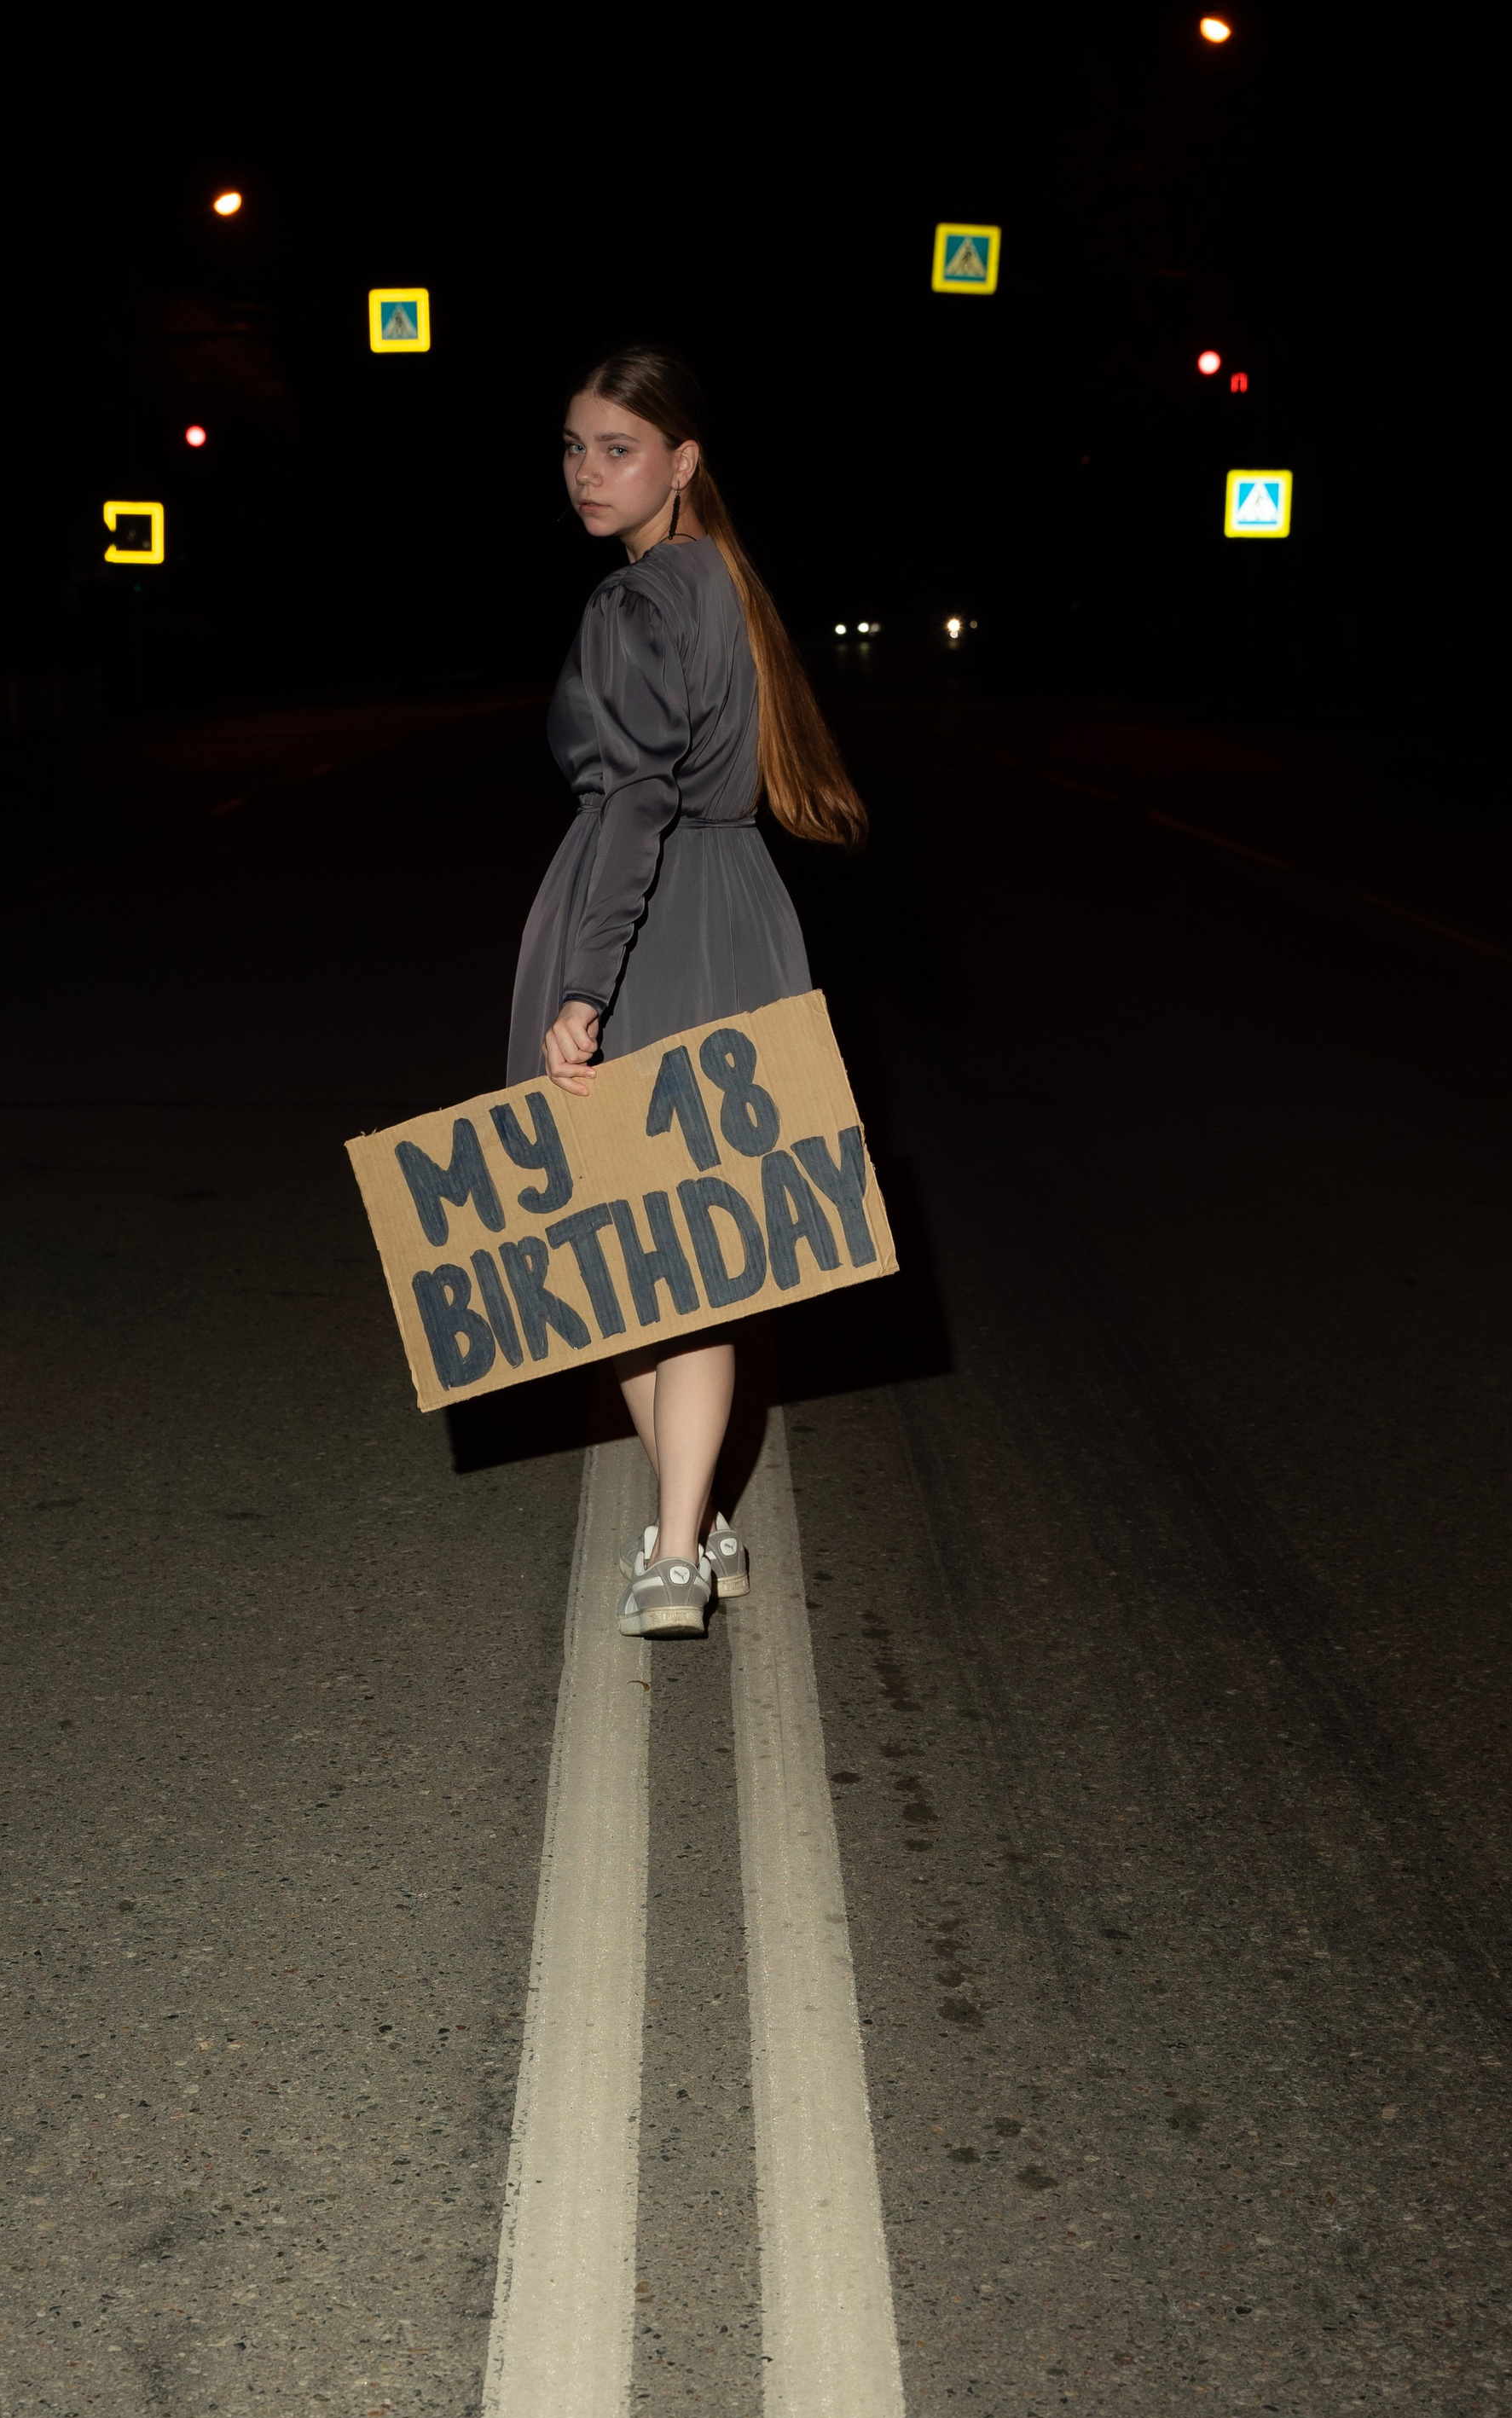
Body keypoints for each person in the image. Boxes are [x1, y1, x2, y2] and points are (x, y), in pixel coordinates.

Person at [509, 345, 866, 1638]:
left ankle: (672, 1550)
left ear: (683, 460)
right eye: (573, 447)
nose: (590, 472)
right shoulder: (731, 586)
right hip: (742, 913)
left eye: (619, 448)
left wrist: (584, 982)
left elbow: (635, 800)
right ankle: (695, 1529)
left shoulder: (633, 605)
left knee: (607, 1252)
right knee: (700, 1251)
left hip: (647, 920)